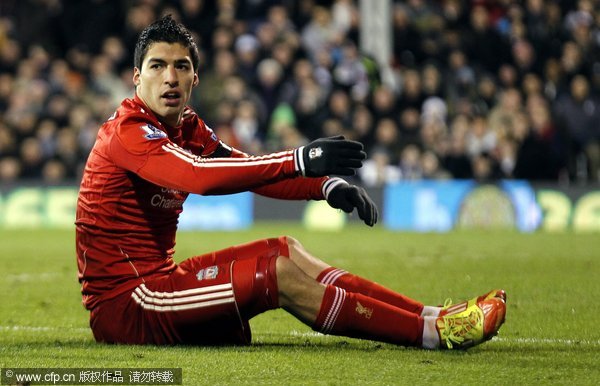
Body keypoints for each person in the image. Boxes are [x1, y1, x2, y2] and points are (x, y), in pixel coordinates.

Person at [75, 15, 506, 350]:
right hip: (130, 304)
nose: (169, 77)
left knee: (285, 249)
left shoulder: (187, 126)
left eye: (180, 66)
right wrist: (301, 158)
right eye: (157, 66)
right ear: (137, 77)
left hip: (160, 281)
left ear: (194, 78)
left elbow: (244, 169)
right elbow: (198, 178)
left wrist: (322, 186)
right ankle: (433, 335)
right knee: (275, 275)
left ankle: (436, 314)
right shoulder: (128, 131)